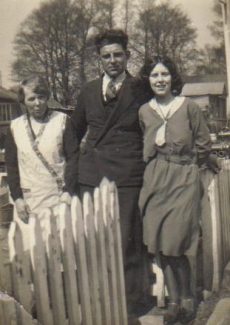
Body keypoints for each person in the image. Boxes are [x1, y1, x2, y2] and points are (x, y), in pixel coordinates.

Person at [69, 29, 152, 315]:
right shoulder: (89, 91)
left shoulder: (141, 88)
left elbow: (151, 127)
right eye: (106, 56)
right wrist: (74, 168)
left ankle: (128, 305)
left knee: (127, 241)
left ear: (127, 56)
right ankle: (100, 301)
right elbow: (73, 131)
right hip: (92, 177)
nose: (113, 60)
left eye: (118, 55)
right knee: (94, 241)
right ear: (99, 59)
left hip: (128, 174)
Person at [138, 55, 212, 324]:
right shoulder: (144, 110)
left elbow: (204, 144)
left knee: (177, 242)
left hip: (183, 176)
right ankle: (173, 301)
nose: (160, 80)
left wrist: (191, 170)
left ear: (173, 78)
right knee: (160, 243)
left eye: (164, 75)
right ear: (149, 80)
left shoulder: (188, 106)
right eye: (155, 75)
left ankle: (188, 297)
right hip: (156, 178)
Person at [5, 76, 78, 223]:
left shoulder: (62, 121)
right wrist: (17, 198)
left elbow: (74, 158)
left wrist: (68, 191)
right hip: (29, 201)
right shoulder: (15, 127)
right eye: (31, 99)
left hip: (59, 199)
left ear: (47, 98)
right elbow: (11, 167)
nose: (37, 103)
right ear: (23, 101)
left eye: (41, 97)